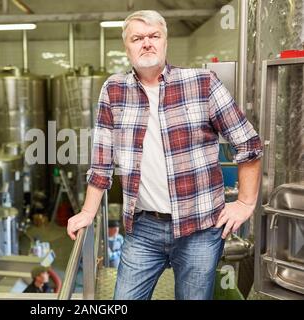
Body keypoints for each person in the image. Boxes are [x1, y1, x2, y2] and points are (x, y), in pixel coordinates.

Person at [67, 10, 263, 300]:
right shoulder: (114, 90)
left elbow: (249, 143)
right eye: (137, 38)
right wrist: (87, 212)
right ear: (127, 47)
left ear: (165, 42)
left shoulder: (202, 83)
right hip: (143, 228)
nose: (146, 43)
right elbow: (102, 161)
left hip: (199, 228)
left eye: (153, 36)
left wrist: (246, 202)